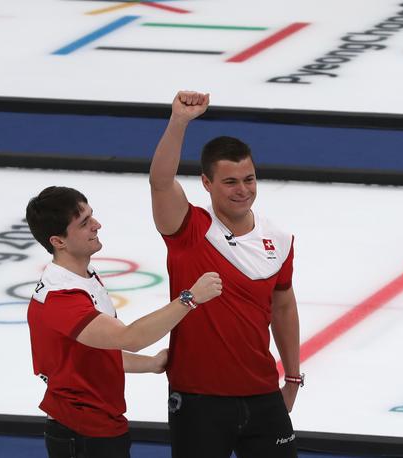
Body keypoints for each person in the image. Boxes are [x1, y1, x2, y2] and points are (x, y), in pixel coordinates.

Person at [149, 91, 301, 458]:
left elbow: (283, 308)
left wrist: (293, 377)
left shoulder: (278, 240)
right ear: (206, 183)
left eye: (249, 179)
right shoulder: (187, 229)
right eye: (231, 182)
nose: (243, 191)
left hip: (262, 393)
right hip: (199, 400)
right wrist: (179, 122)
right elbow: (160, 181)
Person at [25, 186, 222, 458]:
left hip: (99, 426)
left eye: (92, 216)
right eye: (84, 223)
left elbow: (94, 353)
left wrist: (151, 364)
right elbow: (130, 337)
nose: (97, 225)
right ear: (58, 241)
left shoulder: (84, 275)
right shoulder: (62, 297)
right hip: (82, 431)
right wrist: (189, 298)